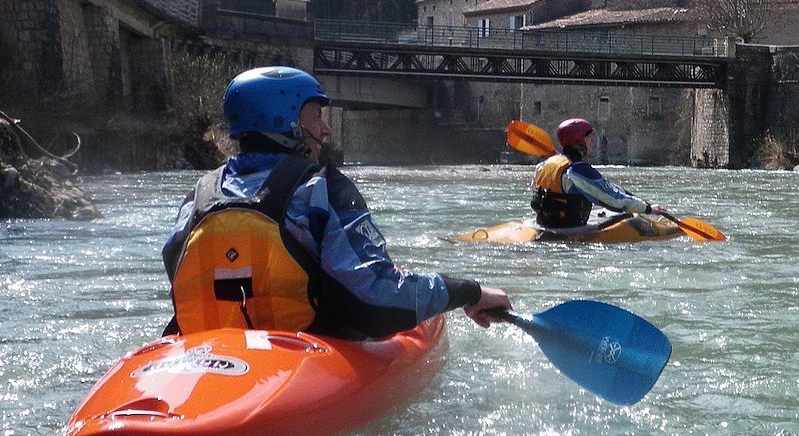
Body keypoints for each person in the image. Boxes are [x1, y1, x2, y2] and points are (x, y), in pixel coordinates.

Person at [163, 65, 509, 338]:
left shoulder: (199, 196)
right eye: (316, 116)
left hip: (203, 354)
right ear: (288, 123)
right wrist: (469, 292)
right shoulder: (321, 188)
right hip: (299, 358)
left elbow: (179, 275)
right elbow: (374, 296)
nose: (326, 131)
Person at [531, 117, 670, 230]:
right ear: (579, 141)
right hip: (569, 227)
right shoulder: (578, 169)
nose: (591, 140)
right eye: (588, 137)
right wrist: (648, 208)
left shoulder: (544, 165)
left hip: (543, 223)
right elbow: (614, 200)